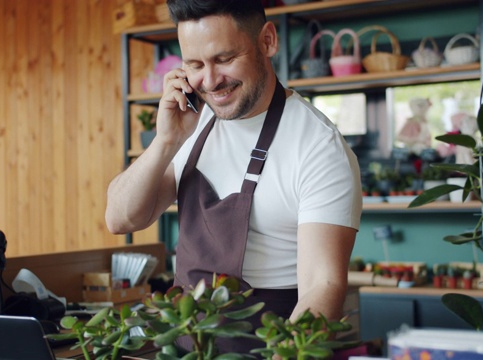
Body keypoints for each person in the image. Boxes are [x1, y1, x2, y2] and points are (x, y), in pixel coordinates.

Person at [105, 0, 362, 353]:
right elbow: (121, 218)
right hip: (181, 342)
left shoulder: (318, 147)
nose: (210, 81)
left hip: (266, 346)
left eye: (224, 59)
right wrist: (166, 140)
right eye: (195, 64)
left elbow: (324, 284)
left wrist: (286, 352)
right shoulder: (191, 124)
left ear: (267, 41)